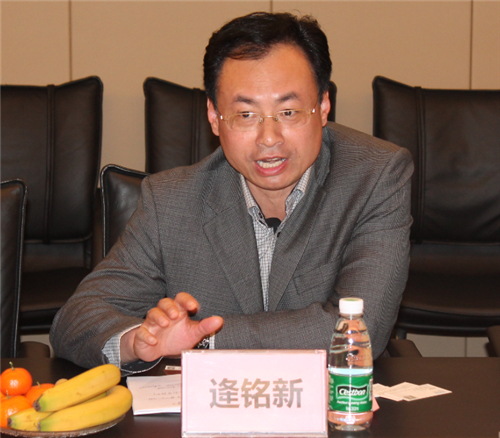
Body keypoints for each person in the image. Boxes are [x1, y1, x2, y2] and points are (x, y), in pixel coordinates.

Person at [50, 12, 413, 371]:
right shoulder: (171, 202)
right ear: (213, 116)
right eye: (245, 115)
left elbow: (360, 329)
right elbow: (75, 321)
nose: (269, 138)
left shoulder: (375, 177)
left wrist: (203, 340)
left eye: (288, 112)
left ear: (322, 107)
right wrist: (138, 341)